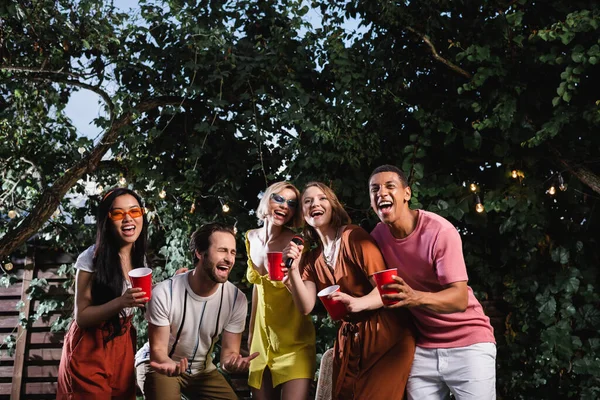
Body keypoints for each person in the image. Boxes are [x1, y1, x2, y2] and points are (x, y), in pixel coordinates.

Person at [368, 165, 497, 400]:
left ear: (406, 193)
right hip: (425, 348)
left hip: (469, 344)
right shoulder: (377, 236)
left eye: (390, 186)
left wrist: (413, 297)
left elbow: (459, 299)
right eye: (374, 189)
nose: (381, 193)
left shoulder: (439, 231)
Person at [284, 182, 416, 400]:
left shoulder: (354, 237)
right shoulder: (312, 258)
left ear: (333, 205)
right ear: (302, 214)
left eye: (321, 198)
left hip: (387, 336)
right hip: (350, 342)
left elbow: (388, 288)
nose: (314, 203)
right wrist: (294, 271)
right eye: (307, 201)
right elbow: (305, 305)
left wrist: (358, 303)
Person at [137, 222, 258, 400]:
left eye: (232, 252)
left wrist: (231, 363)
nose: (229, 259)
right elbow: (159, 352)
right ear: (200, 253)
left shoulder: (236, 300)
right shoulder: (164, 293)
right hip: (160, 365)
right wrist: (167, 364)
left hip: (202, 371)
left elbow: (227, 356)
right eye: (222, 250)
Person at [57, 188, 150, 399]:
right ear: (107, 220)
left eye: (134, 211)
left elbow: (146, 303)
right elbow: (81, 317)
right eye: (118, 214)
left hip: (123, 343)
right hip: (90, 346)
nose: (128, 219)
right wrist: (120, 302)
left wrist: (178, 282)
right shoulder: (91, 258)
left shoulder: (140, 259)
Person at [245, 182, 316, 400]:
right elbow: (258, 288)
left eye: (292, 204)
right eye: (279, 199)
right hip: (260, 344)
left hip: (294, 343)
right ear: (267, 199)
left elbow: (306, 301)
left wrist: (291, 273)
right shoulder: (250, 237)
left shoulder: (297, 245)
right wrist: (250, 336)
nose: (285, 206)